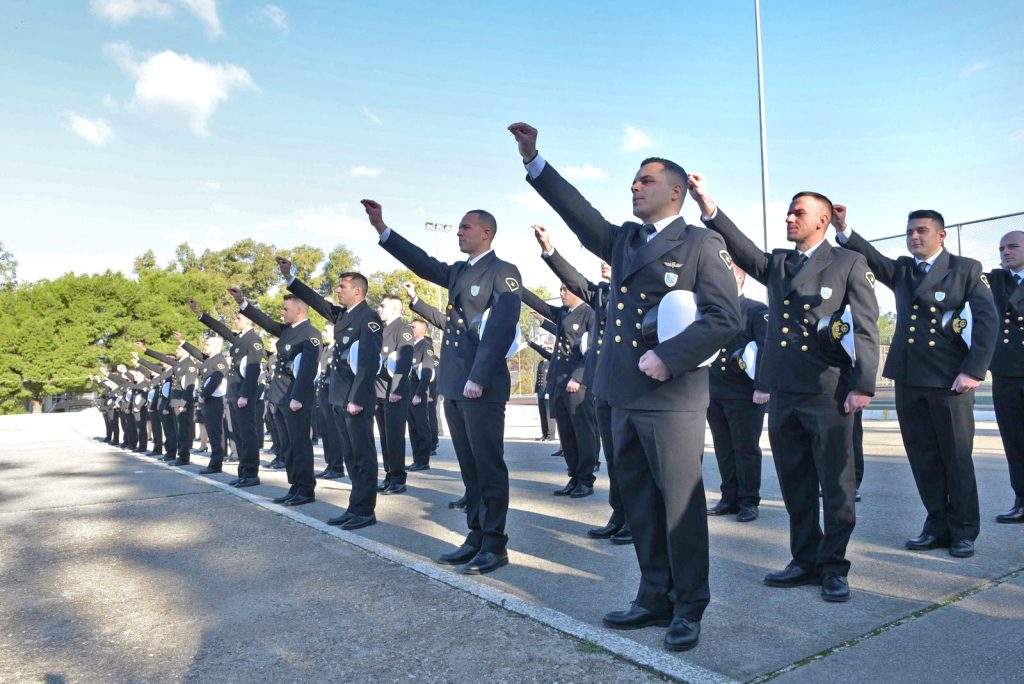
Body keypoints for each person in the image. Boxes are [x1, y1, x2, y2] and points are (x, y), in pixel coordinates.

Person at [509, 122, 740, 651]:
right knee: (637, 501)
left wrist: (669, 355)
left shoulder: (703, 243)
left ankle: (689, 605)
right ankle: (653, 594)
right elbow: (579, 213)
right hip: (620, 395)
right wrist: (534, 160)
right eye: (634, 180)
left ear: (675, 192)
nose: (635, 187)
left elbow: (724, 318)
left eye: (646, 181)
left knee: (679, 505)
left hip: (672, 398)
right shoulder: (624, 239)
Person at [688, 173, 878, 604]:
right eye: (789, 211)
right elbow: (742, 250)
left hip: (829, 391)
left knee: (836, 484)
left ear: (823, 220)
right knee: (795, 480)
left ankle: (834, 566)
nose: (789, 217)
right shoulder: (778, 264)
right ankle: (804, 559)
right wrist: (708, 205)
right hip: (785, 392)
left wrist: (862, 384)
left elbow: (866, 327)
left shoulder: (848, 263)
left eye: (799, 212)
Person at [364, 198, 522, 575]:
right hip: (454, 385)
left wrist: (479, 377)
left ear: (486, 232)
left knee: (488, 465)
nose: (459, 232)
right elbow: (422, 263)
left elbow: (500, 329)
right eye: (458, 227)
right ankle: (476, 535)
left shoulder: (503, 272)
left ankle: (495, 543)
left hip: (479, 385)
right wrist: (383, 230)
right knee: (470, 467)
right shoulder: (457, 272)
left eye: (466, 227)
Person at [833, 205, 997, 555]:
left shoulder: (965, 269)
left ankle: (964, 529)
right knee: (923, 457)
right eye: (910, 232)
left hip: (950, 380)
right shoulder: (904, 270)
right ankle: (935, 523)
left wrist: (973, 369)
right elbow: (873, 259)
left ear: (941, 235)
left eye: (922, 231)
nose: (914, 237)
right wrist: (845, 228)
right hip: (909, 377)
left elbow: (987, 321)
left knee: (955, 457)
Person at [532, 225, 630, 543]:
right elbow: (574, 278)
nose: (603, 262)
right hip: (604, 387)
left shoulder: (638, 291)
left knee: (630, 458)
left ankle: (637, 519)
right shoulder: (601, 296)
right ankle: (620, 514)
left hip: (630, 388)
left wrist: (578, 378)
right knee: (614, 457)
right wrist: (549, 249)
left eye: (610, 259)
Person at [278, 259, 384, 530]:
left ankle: (365, 511)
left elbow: (370, 362)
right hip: (340, 398)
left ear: (358, 291)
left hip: (355, 400)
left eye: (342, 286)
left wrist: (357, 399)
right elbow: (317, 302)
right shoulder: (344, 316)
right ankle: (354, 506)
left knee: (362, 456)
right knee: (350, 456)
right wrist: (292, 279)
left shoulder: (368, 317)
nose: (337, 290)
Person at [229, 288, 322, 506]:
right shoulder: (287, 330)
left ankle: (306, 489)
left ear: (299, 310)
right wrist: (243, 302)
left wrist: (297, 397)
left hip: (295, 398)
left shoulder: (311, 333)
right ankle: (295, 485)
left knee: (300, 445)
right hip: (279, 397)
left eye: (285, 309)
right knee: (287, 445)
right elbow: (264, 321)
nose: (282, 313)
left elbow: (308, 368)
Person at [522, 283, 598, 498]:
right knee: (567, 433)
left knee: (583, 432)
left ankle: (586, 479)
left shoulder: (589, 313)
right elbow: (542, 306)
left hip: (577, 384)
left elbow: (593, 350)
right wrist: (519, 289)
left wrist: (578, 377)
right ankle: (574, 476)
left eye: (566, 289)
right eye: (560, 289)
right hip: (559, 381)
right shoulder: (565, 312)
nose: (561, 293)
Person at [706, 265, 769, 523]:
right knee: (723, 447)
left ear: (740, 279)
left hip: (744, 393)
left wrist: (763, 386)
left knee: (745, 448)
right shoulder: (711, 312)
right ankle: (729, 497)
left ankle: (749, 500)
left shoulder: (755, 310)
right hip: (714, 389)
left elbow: (766, 349)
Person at [191, 299, 265, 488]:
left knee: (248, 435)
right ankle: (243, 471)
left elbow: (253, 370)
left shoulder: (254, 340)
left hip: (243, 395)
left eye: (239, 318)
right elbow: (222, 329)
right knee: (239, 435)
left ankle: (251, 474)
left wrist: (245, 395)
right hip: (234, 394)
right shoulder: (241, 339)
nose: (235, 320)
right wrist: (201, 315)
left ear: (249, 322)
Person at [989, 231, 1024, 523]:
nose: (1006, 252)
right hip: (1006, 373)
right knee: (1014, 441)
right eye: (1002, 248)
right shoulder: (996, 281)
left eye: (1013, 246)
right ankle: (1022, 500)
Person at [374, 295, 415, 494]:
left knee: (395, 437)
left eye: (383, 306)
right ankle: (389, 474)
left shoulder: (403, 329)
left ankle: (399, 478)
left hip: (394, 391)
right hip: (379, 391)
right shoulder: (380, 329)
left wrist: (397, 389)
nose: (379, 308)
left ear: (395, 309)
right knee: (384, 437)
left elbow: (404, 360)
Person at [178, 333, 229, 475]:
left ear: (217, 346)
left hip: (214, 400)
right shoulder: (209, 360)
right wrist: (183, 342)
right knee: (212, 432)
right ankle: (215, 462)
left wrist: (203, 395)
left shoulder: (219, 360)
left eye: (207, 344)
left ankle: (216, 464)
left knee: (215, 432)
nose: (204, 346)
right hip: (208, 401)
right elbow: (196, 353)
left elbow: (216, 379)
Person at [405, 316, 437, 471]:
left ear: (421, 330)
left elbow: (426, 371)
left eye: (413, 327)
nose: (410, 328)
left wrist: (419, 393)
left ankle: (423, 460)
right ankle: (416, 459)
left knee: (421, 426)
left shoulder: (425, 346)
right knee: (412, 428)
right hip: (408, 392)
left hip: (418, 392)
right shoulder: (409, 345)